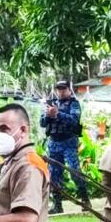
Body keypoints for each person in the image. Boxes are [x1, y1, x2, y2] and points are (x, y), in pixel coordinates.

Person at [41, 80, 87, 214]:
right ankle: (57, 205)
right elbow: (42, 123)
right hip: (54, 143)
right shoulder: (51, 104)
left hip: (68, 143)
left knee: (74, 171)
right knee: (54, 175)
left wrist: (58, 114)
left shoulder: (74, 104)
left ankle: (85, 200)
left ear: (69, 90)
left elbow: (74, 120)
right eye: (59, 89)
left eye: (63, 89)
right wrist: (49, 115)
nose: (61, 92)